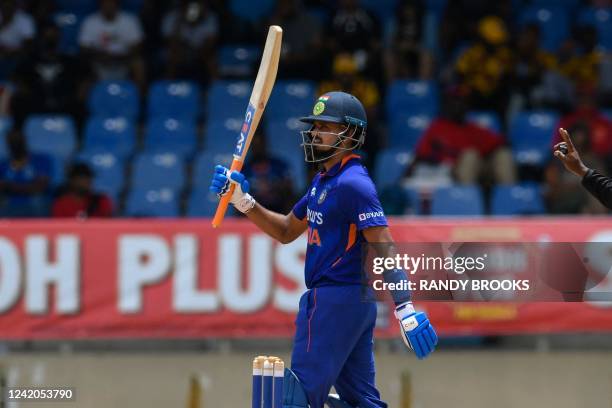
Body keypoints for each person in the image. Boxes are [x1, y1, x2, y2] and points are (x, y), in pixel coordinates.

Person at [210, 92, 437, 408]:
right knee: (362, 402)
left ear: (351, 134)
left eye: (326, 126)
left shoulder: (352, 184)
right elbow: (287, 230)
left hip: (333, 301)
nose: (316, 132)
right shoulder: (325, 181)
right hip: (354, 303)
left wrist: (404, 307)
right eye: (315, 125)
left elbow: (383, 244)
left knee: (296, 399)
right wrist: (241, 201)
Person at [413, 85, 516, 185]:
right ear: (447, 104)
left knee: (503, 155)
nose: (458, 105)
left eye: (462, 101)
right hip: (449, 171)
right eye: (454, 100)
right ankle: (466, 199)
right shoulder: (436, 127)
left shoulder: (473, 128)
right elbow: (420, 155)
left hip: (480, 171)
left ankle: (508, 197)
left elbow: (501, 143)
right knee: (470, 156)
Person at [78, 0, 145, 87]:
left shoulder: (130, 20)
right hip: (99, 62)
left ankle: (139, 98)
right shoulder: (90, 21)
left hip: (124, 61)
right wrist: (100, 55)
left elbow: (138, 45)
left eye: (111, 3)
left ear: (117, 4)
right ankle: (83, 99)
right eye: (105, 3)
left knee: (138, 63)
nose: (108, 6)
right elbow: (83, 47)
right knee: (83, 65)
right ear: (100, 4)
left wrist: (121, 57)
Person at [554, 127, 612, 210]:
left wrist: (582, 171)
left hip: (590, 200)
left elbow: (603, 179)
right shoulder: (560, 158)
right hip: (566, 197)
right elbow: (554, 183)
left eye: (582, 143)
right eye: (575, 142)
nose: (579, 145)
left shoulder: (593, 158)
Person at [0, 129, 50, 217]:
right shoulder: (3, 164)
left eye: (18, 141)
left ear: (25, 141)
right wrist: (28, 187)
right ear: (8, 143)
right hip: (10, 203)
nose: (15, 144)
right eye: (12, 141)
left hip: (33, 202)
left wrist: (10, 186)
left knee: (38, 200)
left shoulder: (40, 160)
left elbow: (40, 187)